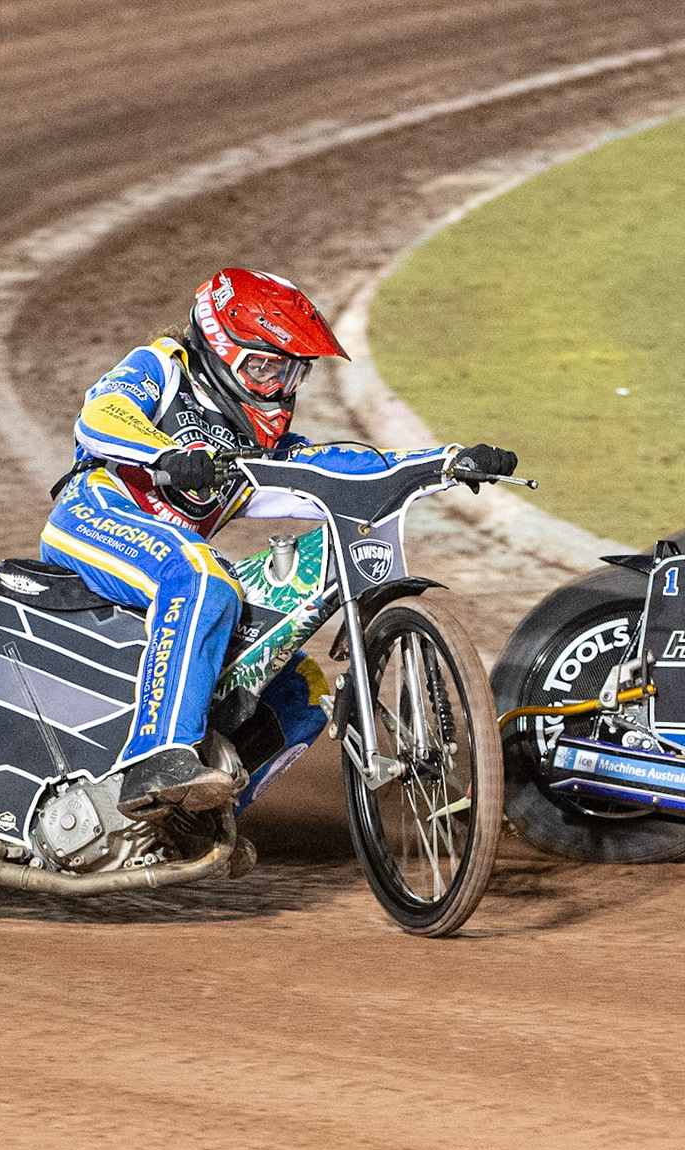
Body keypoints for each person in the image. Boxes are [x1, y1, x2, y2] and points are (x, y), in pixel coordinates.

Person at [39, 268, 514, 826]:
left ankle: (198, 825)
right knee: (204, 576)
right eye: (264, 367)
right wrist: (164, 456)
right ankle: (156, 757)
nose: (277, 386)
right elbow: (100, 415)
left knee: (302, 689)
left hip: (167, 563)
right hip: (94, 519)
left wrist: (445, 463)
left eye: (289, 372)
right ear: (221, 348)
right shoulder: (163, 368)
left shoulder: (260, 448)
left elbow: (344, 472)